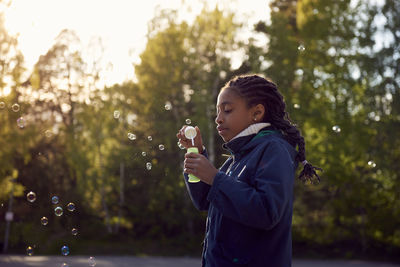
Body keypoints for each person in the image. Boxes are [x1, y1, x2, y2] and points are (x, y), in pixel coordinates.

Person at [176, 74, 321, 267]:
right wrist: (198, 154)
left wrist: (214, 177)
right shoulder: (237, 157)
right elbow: (204, 200)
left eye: (227, 110)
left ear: (257, 112)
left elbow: (267, 211)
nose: (218, 119)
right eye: (217, 112)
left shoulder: (273, 149)